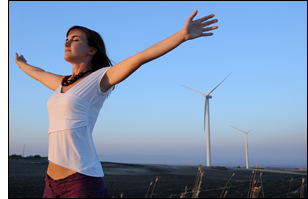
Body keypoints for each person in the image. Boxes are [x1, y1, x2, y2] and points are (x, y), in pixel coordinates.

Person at [15, 10, 218, 198]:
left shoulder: (99, 79)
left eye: (75, 40)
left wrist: (181, 36)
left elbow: (140, 57)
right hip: (50, 183)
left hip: (80, 181)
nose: (67, 43)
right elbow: (38, 73)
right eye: (66, 40)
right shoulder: (62, 84)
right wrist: (22, 64)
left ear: (92, 50)